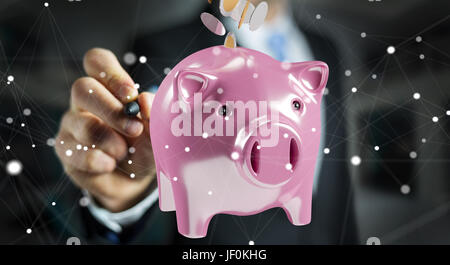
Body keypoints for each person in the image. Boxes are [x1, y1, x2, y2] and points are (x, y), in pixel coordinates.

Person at [54, 0, 358, 244]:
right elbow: (137, 151)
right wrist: (124, 198)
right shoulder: (163, 48)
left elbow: (335, 167)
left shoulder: (326, 48)